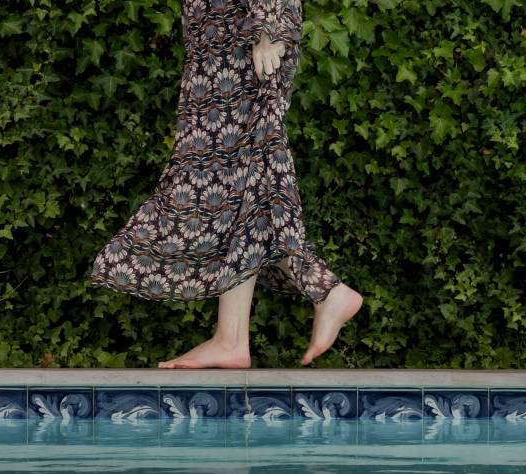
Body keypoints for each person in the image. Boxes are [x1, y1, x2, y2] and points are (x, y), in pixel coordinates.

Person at [90, 0, 363, 368]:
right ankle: (235, 335)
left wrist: (269, 29)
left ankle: (318, 295)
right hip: (224, 42)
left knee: (224, 180)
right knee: (243, 186)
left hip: (241, 44)